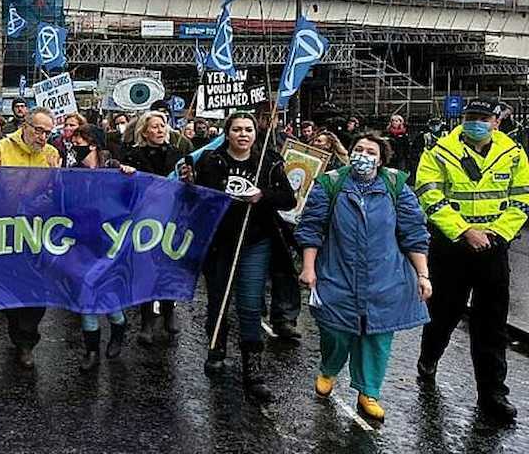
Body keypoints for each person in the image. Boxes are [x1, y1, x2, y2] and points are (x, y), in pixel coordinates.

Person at [295, 134, 432, 422]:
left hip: (384, 277)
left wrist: (423, 274)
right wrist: (309, 268)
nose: (363, 155)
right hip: (337, 273)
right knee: (335, 330)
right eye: (358, 149)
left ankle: (368, 392)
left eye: (371, 151)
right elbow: (311, 228)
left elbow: (414, 233)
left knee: (377, 337)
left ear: (381, 159)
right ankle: (329, 369)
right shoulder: (330, 184)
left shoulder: (396, 187)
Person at [414, 98, 529, 423]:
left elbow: (522, 198)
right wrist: (465, 231)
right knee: (443, 314)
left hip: (494, 247)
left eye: (482, 117)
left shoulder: (513, 154)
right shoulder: (438, 151)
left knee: (491, 325)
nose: (476, 122)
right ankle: (429, 357)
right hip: (450, 247)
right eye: (470, 117)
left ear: (496, 121)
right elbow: (429, 195)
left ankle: (493, 394)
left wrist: (498, 234)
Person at [194, 112, 297, 403]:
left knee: (251, 305)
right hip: (220, 243)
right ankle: (216, 349)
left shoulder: (269, 159)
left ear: (255, 133)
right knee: (218, 299)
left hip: (256, 241)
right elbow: (200, 196)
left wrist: (261, 195)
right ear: (227, 133)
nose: (243, 134)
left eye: (248, 129)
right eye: (237, 129)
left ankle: (253, 370)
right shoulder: (212, 161)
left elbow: (289, 199)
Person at [0, 106, 60, 368]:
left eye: (48, 132)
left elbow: (61, 194)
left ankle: (27, 342)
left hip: (37, 233)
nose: (43, 137)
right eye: (39, 130)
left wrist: (56, 177)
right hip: (4, 231)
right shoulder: (0, 149)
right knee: (8, 290)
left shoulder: (51, 154)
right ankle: (17, 330)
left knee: (36, 290)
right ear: (24, 126)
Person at [68, 125, 136, 371]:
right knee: (86, 297)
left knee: (109, 296)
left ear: (93, 143)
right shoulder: (72, 170)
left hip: (110, 241)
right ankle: (92, 351)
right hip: (82, 241)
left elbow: (131, 196)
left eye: (79, 139)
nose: (75, 143)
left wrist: (129, 176)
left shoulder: (113, 168)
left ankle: (118, 331)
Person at [120, 111, 187, 344]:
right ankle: (147, 321)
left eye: (163, 126)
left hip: (172, 219)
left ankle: (169, 312)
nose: (160, 130)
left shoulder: (178, 154)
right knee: (146, 271)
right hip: (145, 221)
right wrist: (126, 175)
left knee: (169, 267)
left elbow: (188, 185)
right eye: (155, 127)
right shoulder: (132, 155)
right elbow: (124, 191)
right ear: (144, 131)